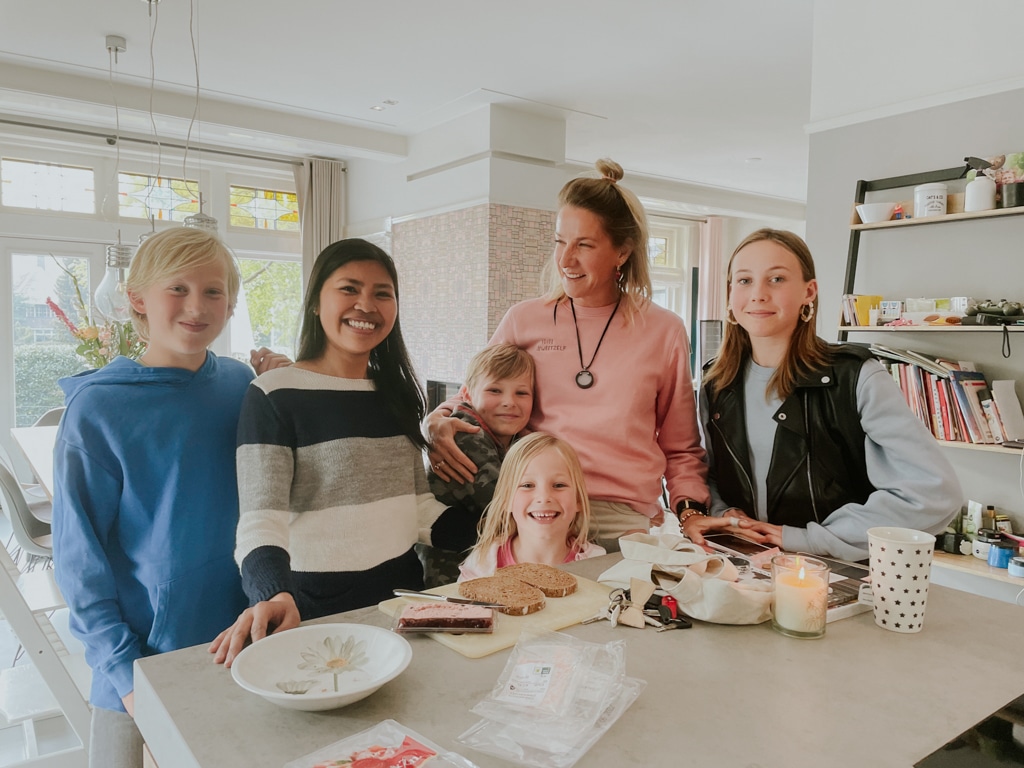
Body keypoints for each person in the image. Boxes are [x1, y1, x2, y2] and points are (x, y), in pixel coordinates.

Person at [211, 238, 476, 667]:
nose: (366, 305)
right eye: (349, 289)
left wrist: (503, 524)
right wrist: (271, 591)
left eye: (382, 293)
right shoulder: (274, 395)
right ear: (317, 302)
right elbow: (262, 519)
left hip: (403, 600)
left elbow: (417, 506)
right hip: (311, 608)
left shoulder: (398, 394)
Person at [427, 159, 709, 552]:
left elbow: (681, 447)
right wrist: (436, 419)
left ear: (622, 252)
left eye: (584, 245)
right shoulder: (524, 319)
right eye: (560, 241)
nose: (565, 259)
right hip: (533, 511)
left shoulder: (664, 330)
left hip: (619, 518)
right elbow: (473, 397)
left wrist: (690, 510)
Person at [51, 228, 252, 768]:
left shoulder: (242, 383)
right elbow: (78, 560)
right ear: (137, 298)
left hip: (241, 642)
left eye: (213, 291)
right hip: (139, 658)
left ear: (231, 303)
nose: (196, 306)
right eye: (178, 288)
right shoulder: (97, 409)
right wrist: (123, 671)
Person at [684, 228, 961, 561]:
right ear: (730, 294)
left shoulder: (856, 375)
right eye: (744, 281)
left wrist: (807, 538)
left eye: (776, 279)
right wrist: (726, 513)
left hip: (833, 572)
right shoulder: (715, 381)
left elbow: (934, 493)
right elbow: (710, 473)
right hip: (741, 565)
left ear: (808, 292)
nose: (757, 294)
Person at [420, 343, 535, 585]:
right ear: (467, 395)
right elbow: (504, 507)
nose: (509, 402)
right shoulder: (465, 435)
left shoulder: (514, 439)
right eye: (495, 390)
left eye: (521, 393)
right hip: (450, 576)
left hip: (484, 564)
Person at [459, 432, 605, 580]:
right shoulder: (482, 563)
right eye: (527, 485)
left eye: (559, 485)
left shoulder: (597, 564)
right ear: (506, 500)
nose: (544, 498)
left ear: (578, 500)